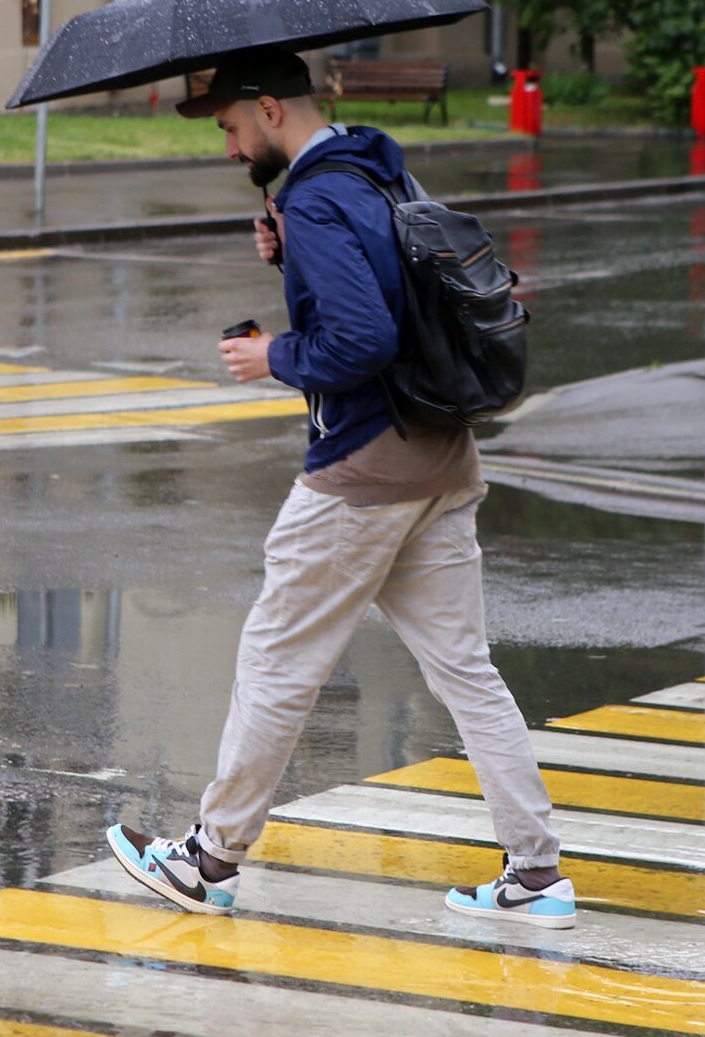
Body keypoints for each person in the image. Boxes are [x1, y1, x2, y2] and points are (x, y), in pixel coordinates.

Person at [105, 47, 575, 928]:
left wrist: (270, 353)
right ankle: (538, 874)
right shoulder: (372, 168)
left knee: (277, 661)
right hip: (441, 459)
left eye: (233, 127)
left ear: (271, 112)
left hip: (364, 471)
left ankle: (207, 861)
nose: (231, 147)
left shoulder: (319, 198)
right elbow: (393, 291)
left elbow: (360, 341)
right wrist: (290, 255)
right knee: (467, 673)